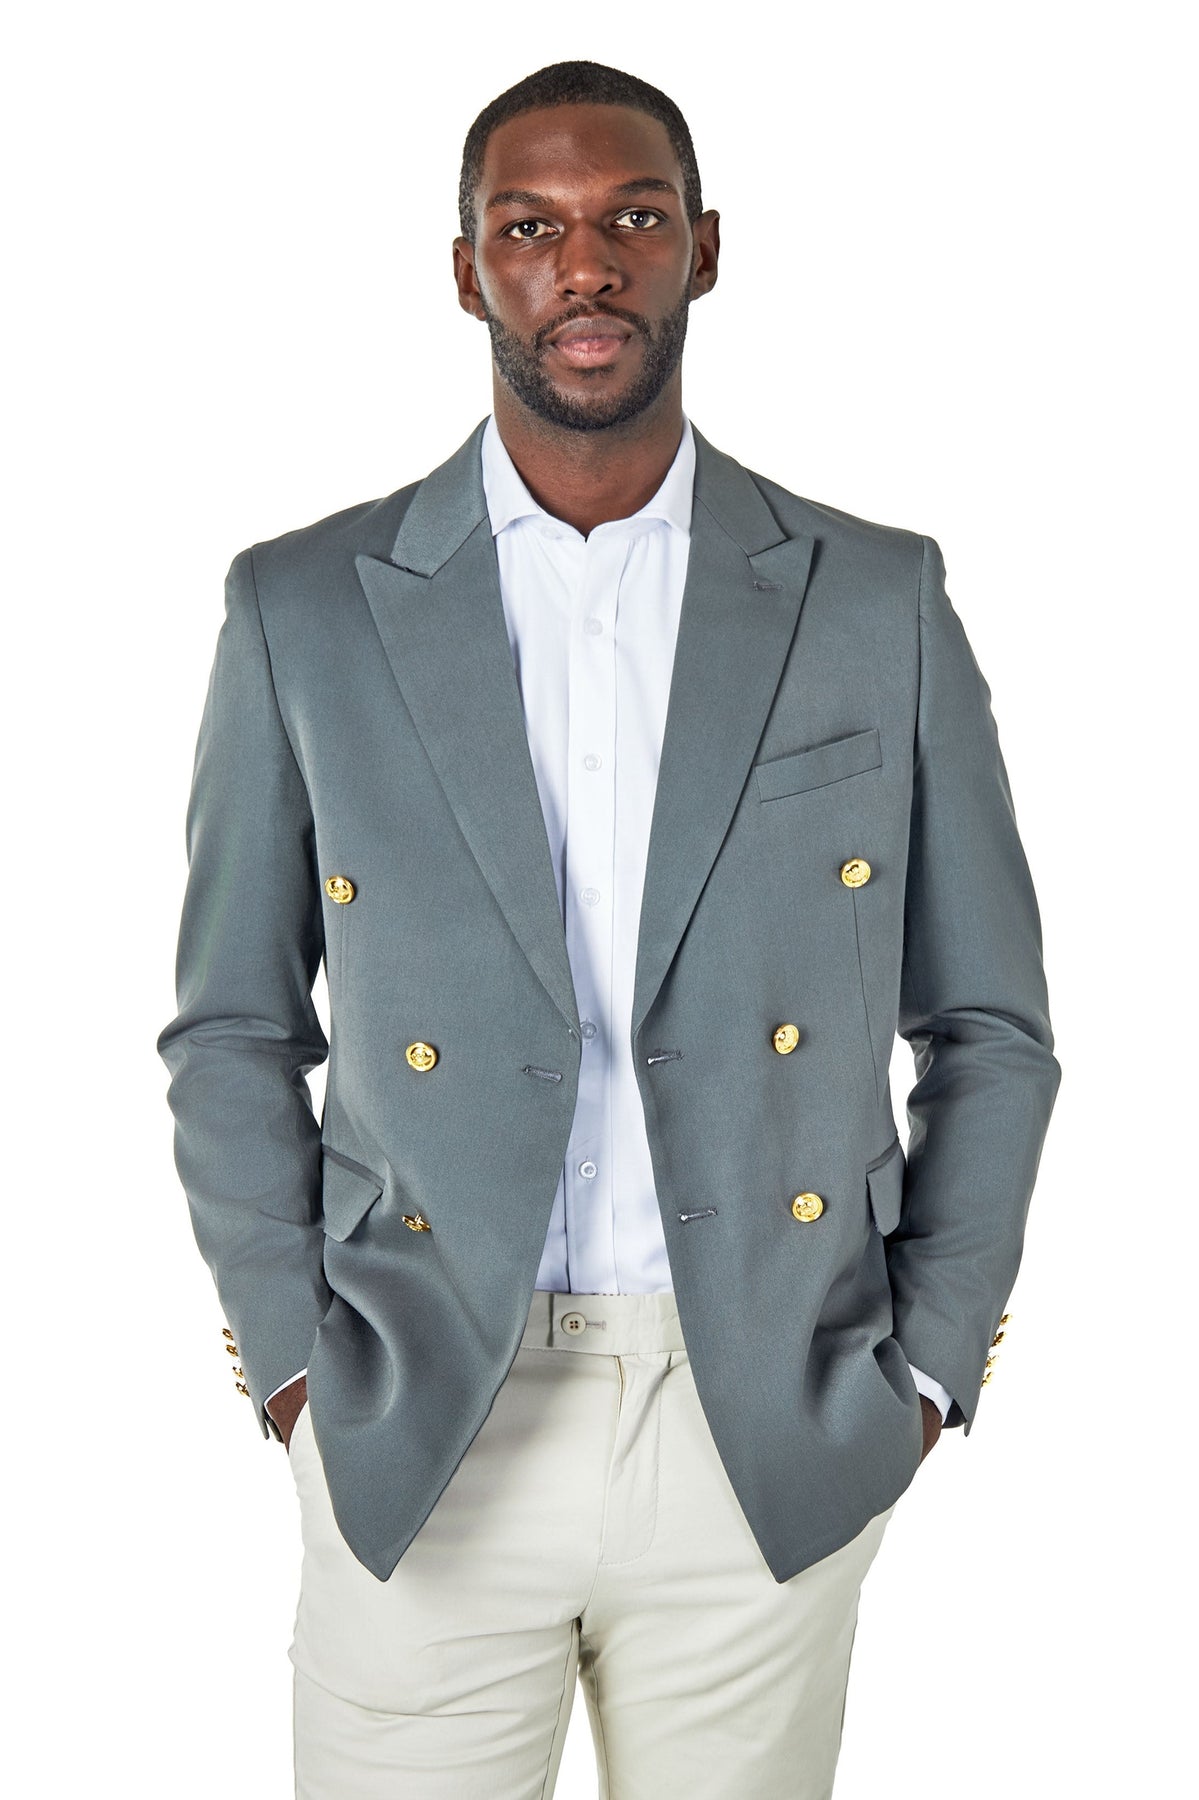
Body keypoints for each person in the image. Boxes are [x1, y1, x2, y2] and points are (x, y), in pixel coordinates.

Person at [157, 58, 1061, 1799]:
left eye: (632, 218)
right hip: (421, 1414)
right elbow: (233, 1027)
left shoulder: (876, 596)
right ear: (468, 270)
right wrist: (292, 1367)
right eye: (531, 228)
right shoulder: (303, 608)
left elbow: (991, 1027)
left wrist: (928, 1369)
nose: (585, 265)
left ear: (704, 249)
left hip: (766, 1419)